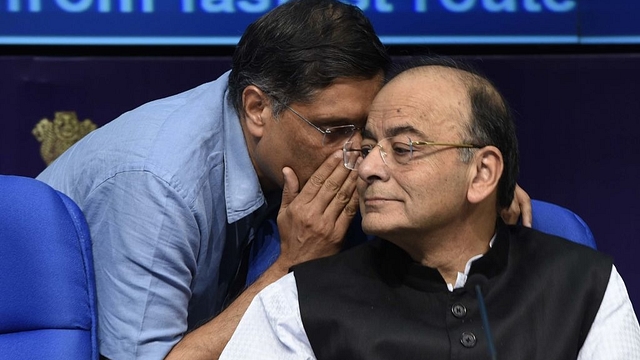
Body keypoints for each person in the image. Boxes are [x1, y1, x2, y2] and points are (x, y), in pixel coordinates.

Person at [37, 2, 530, 359]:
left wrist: (469, 192)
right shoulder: (158, 186)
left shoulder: (310, 147)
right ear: (257, 109)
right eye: (336, 130)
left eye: (373, 130)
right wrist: (292, 265)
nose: (359, 154)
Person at [219, 58, 640, 360]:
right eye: (366, 148)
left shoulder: (587, 286)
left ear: (482, 173)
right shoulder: (295, 306)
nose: (367, 168)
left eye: (403, 149)